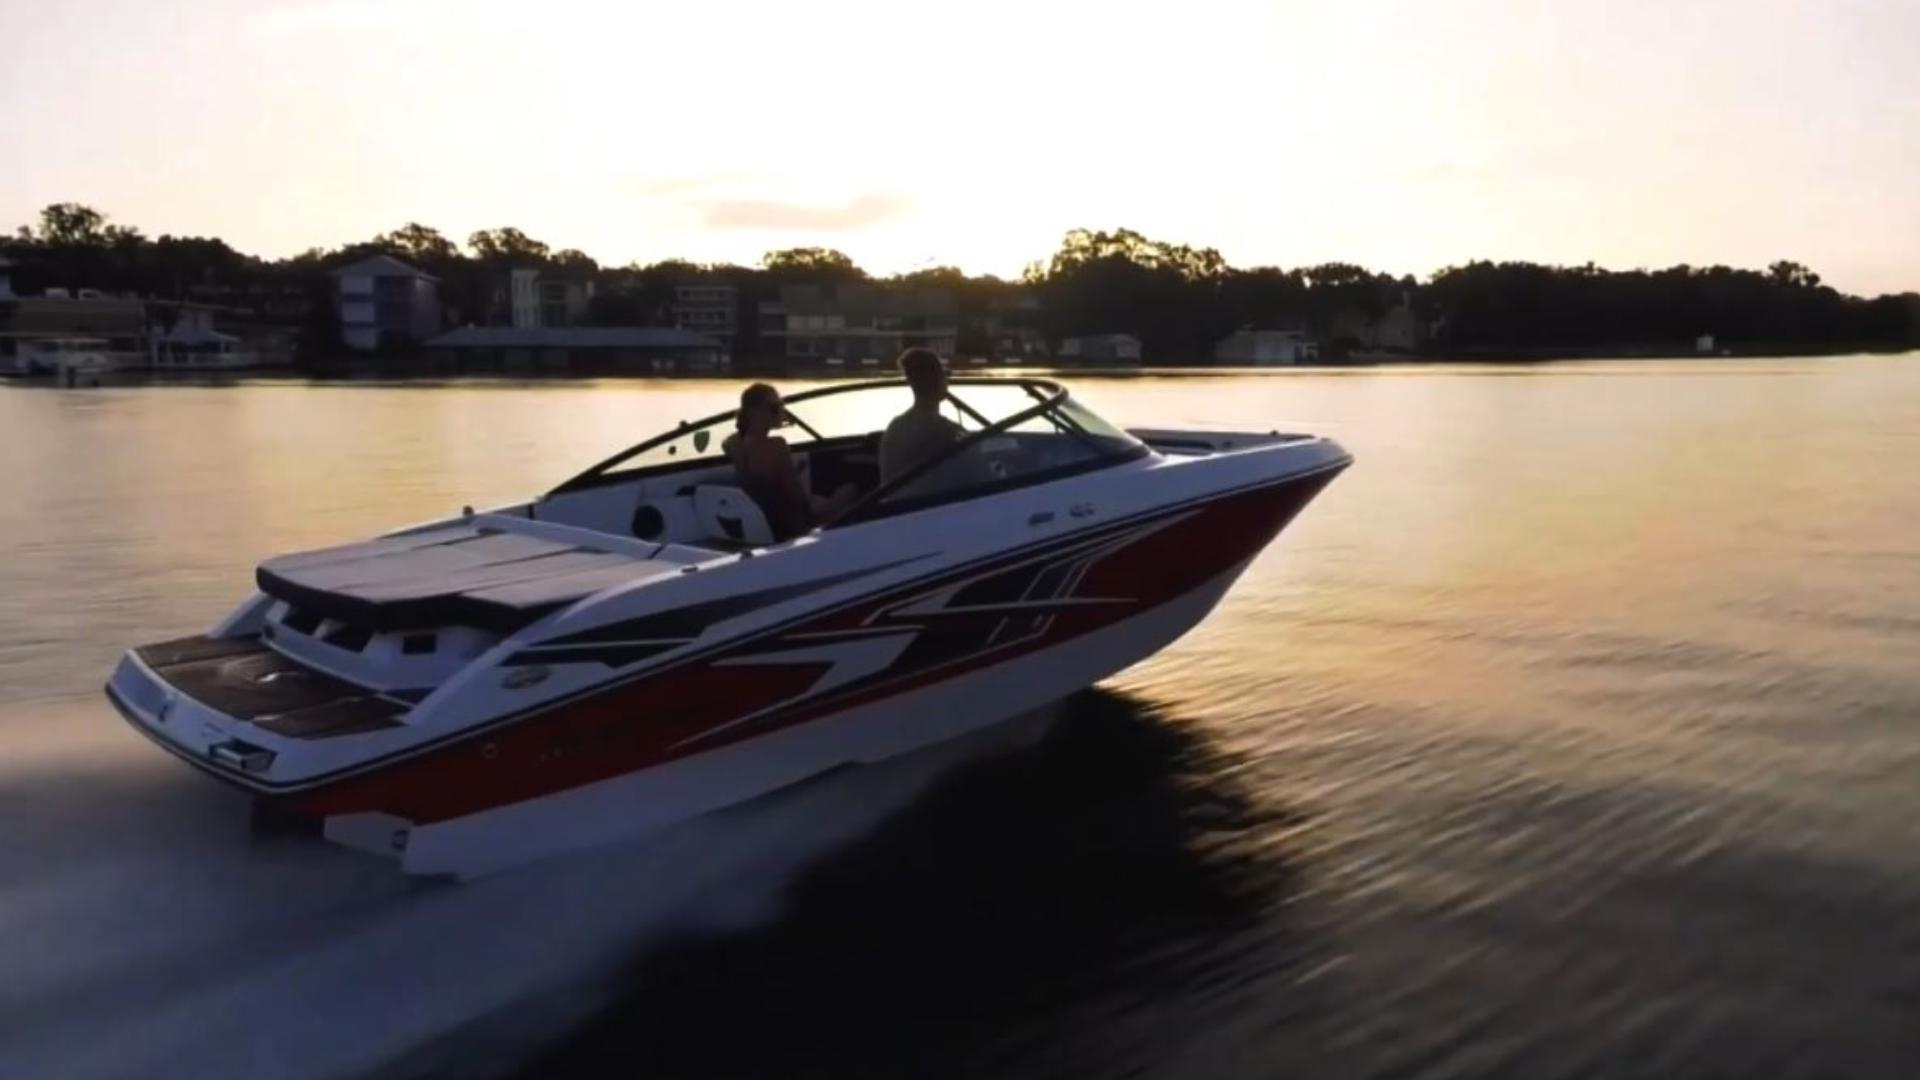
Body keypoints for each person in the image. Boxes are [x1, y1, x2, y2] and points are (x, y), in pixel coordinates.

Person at [723, 383, 856, 540]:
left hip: (766, 517)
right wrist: (821, 506)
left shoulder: (733, 443)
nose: (781, 411)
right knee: (850, 489)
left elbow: (762, 475)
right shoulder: (777, 445)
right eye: (774, 407)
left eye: (781, 406)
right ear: (754, 412)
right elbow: (797, 499)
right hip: (792, 525)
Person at [880, 348, 964, 484]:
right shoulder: (949, 431)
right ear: (936, 380)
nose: (947, 380)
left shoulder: (895, 427)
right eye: (945, 374)